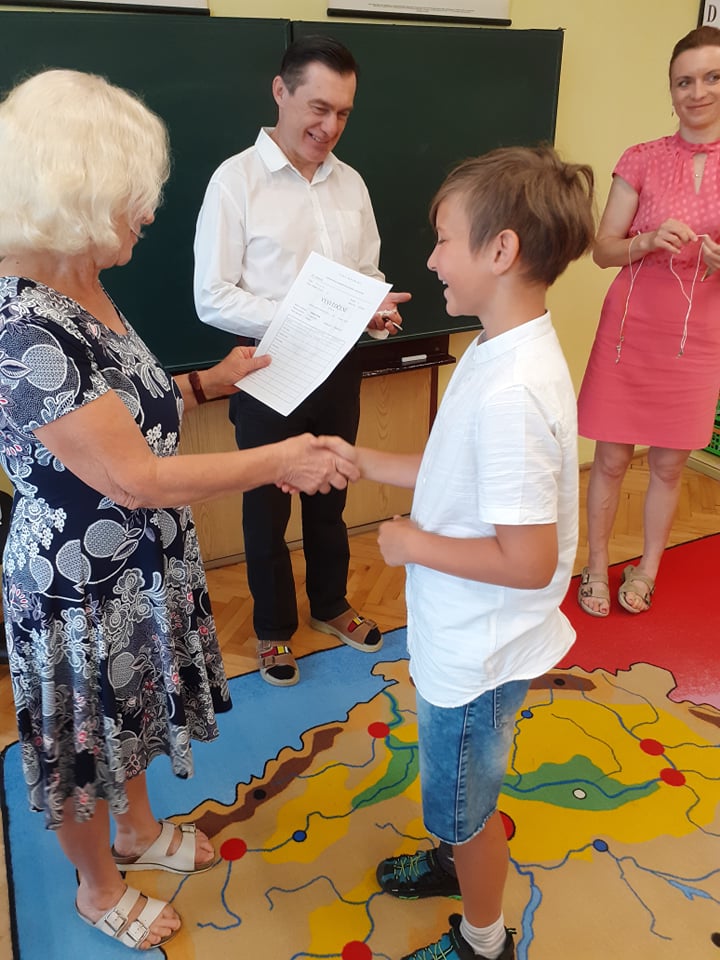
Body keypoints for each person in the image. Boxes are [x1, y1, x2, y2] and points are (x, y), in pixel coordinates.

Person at [0, 69, 357, 952]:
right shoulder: (22, 326)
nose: (150, 212)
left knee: (128, 717)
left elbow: (120, 409)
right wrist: (281, 458)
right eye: (134, 195)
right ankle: (96, 888)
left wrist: (207, 382)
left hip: (134, 564)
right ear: (75, 192)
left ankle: (135, 831)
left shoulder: (81, 279)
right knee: (85, 743)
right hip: (77, 586)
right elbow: (134, 479)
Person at [323, 146, 595, 959]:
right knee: (461, 788)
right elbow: (453, 469)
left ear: (501, 250)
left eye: (444, 240)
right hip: (467, 634)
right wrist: (364, 460)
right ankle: (452, 860)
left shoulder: (513, 391)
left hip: (480, 650)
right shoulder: (494, 348)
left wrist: (413, 544)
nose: (434, 259)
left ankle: (484, 939)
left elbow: (530, 561)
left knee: (466, 810)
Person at [193, 35, 410, 687]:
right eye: (318, 107)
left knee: (331, 492)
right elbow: (212, 296)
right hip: (267, 373)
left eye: (343, 112)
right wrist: (304, 314)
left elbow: (367, 272)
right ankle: (271, 630)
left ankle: (332, 604)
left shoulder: (351, 183)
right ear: (280, 92)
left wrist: (373, 309)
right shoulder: (235, 181)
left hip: (338, 368)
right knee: (265, 507)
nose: (330, 126)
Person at [576, 25, 720, 618]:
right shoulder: (640, 158)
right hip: (630, 332)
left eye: (711, 78)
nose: (697, 92)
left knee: (668, 465)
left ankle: (648, 568)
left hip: (700, 335)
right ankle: (595, 566)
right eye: (684, 81)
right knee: (611, 459)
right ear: (670, 91)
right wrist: (647, 240)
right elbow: (602, 249)